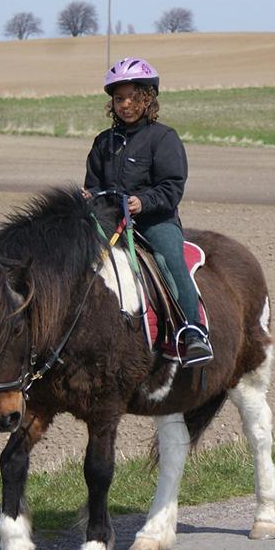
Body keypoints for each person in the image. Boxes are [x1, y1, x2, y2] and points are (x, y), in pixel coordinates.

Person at [82, 57, 213, 365]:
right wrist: (88, 197)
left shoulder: (164, 138)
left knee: (170, 259)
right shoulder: (103, 142)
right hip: (109, 222)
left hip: (155, 222)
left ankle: (193, 332)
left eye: (132, 97)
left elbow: (172, 187)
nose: (125, 104)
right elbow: (93, 184)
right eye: (118, 99)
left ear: (148, 98)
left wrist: (143, 202)